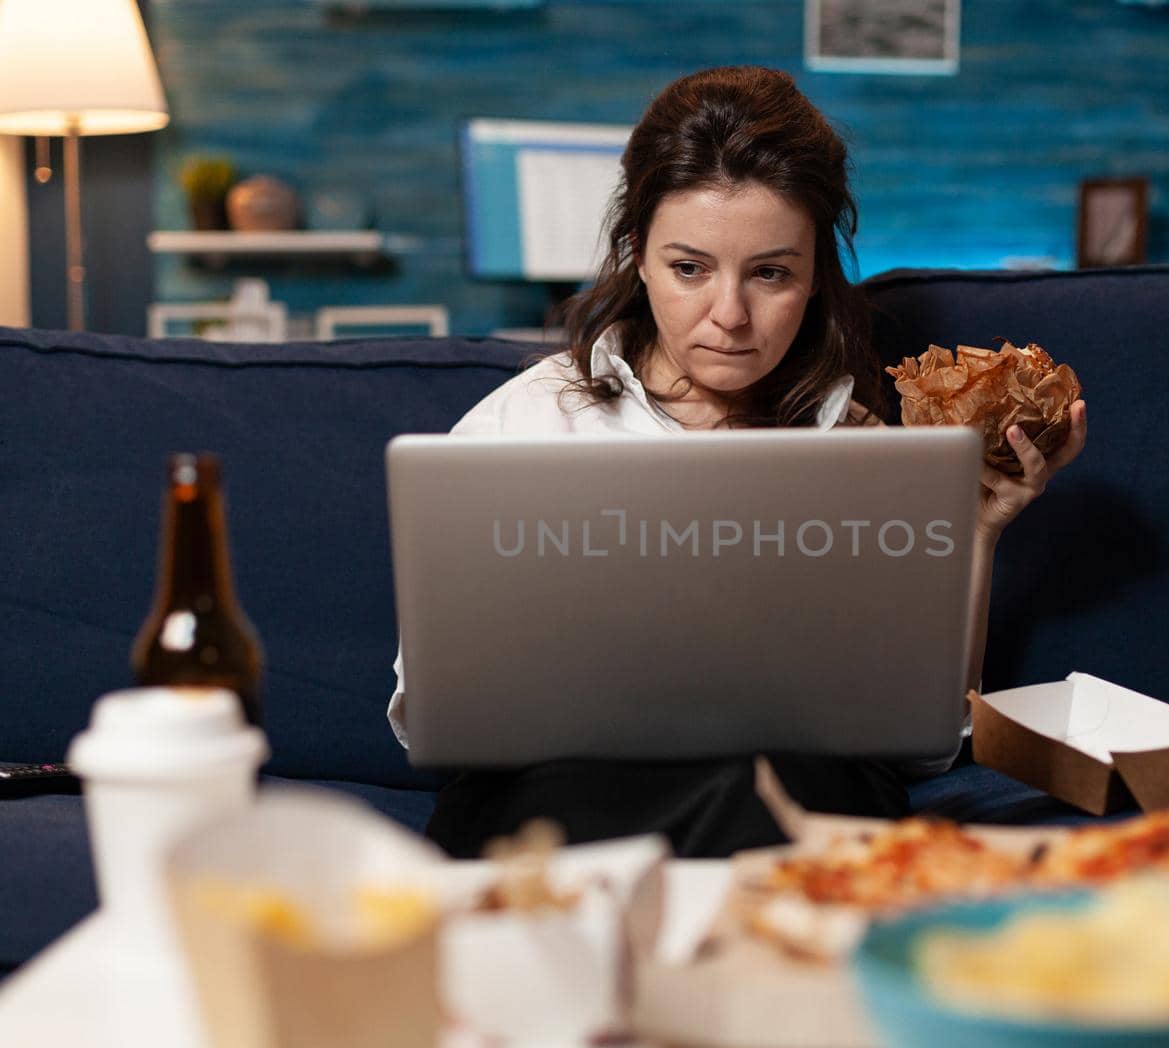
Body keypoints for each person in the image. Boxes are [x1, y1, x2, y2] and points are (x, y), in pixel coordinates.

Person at [390, 65, 1087, 858]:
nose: (728, 316)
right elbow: (430, 710)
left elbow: (924, 744)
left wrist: (975, 534)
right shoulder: (530, 416)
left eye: (771, 273)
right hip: (561, 786)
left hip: (795, 788)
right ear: (638, 257)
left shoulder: (865, 450)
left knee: (793, 787)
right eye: (690, 268)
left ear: (816, 274)